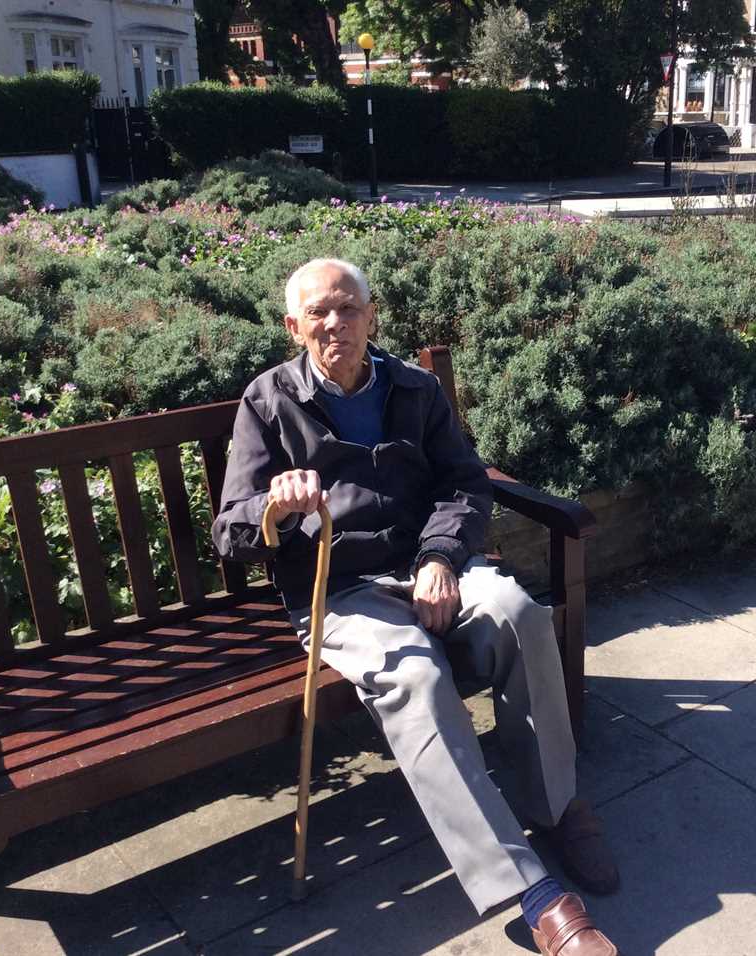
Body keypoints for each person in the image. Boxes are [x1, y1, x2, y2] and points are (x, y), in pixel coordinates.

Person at [213, 258, 620, 956]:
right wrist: (274, 508)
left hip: (429, 567)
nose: (334, 324)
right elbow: (231, 529)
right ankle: (533, 892)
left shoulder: (415, 388)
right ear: (293, 326)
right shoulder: (267, 401)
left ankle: (555, 806)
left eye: (348, 309)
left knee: (520, 615)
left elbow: (464, 484)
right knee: (420, 680)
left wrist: (439, 558)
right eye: (318, 313)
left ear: (373, 316)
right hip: (338, 591)